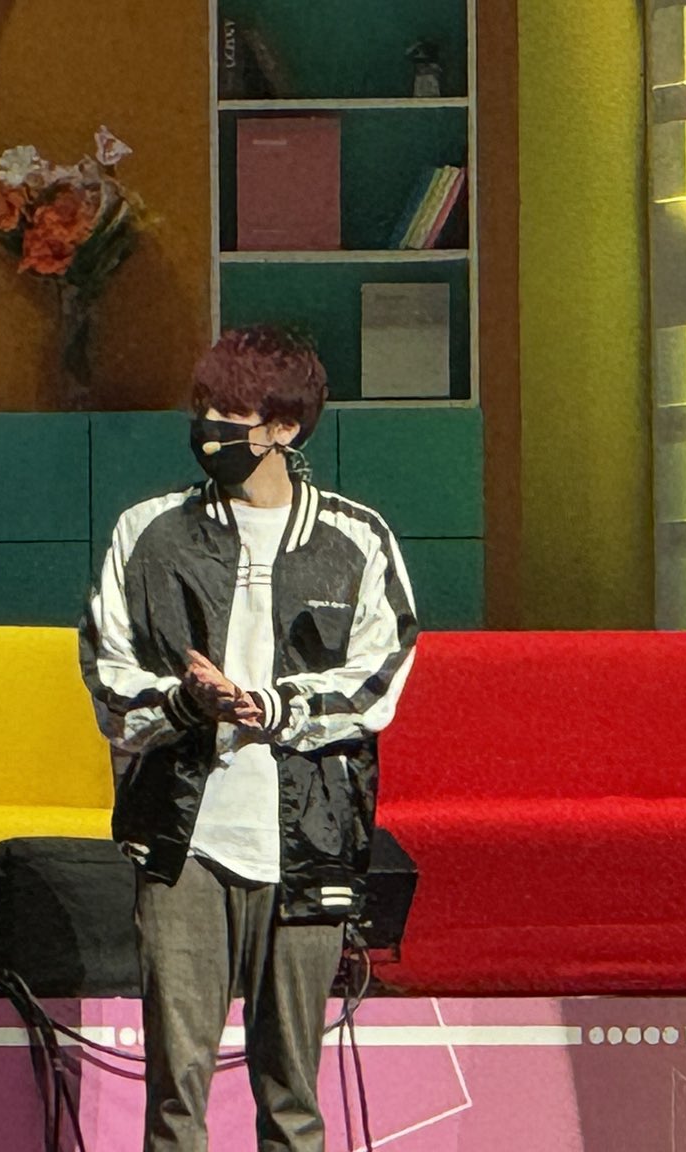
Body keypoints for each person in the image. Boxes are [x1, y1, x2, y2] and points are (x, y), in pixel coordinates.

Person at [80, 326, 419, 1152]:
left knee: (294, 1098)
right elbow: (109, 677)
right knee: (175, 1097)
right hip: (181, 841)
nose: (208, 429)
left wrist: (271, 706)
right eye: (202, 409)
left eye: (230, 414)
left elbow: (379, 679)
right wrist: (186, 704)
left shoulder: (356, 537)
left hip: (307, 841)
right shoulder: (149, 530)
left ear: (285, 427)